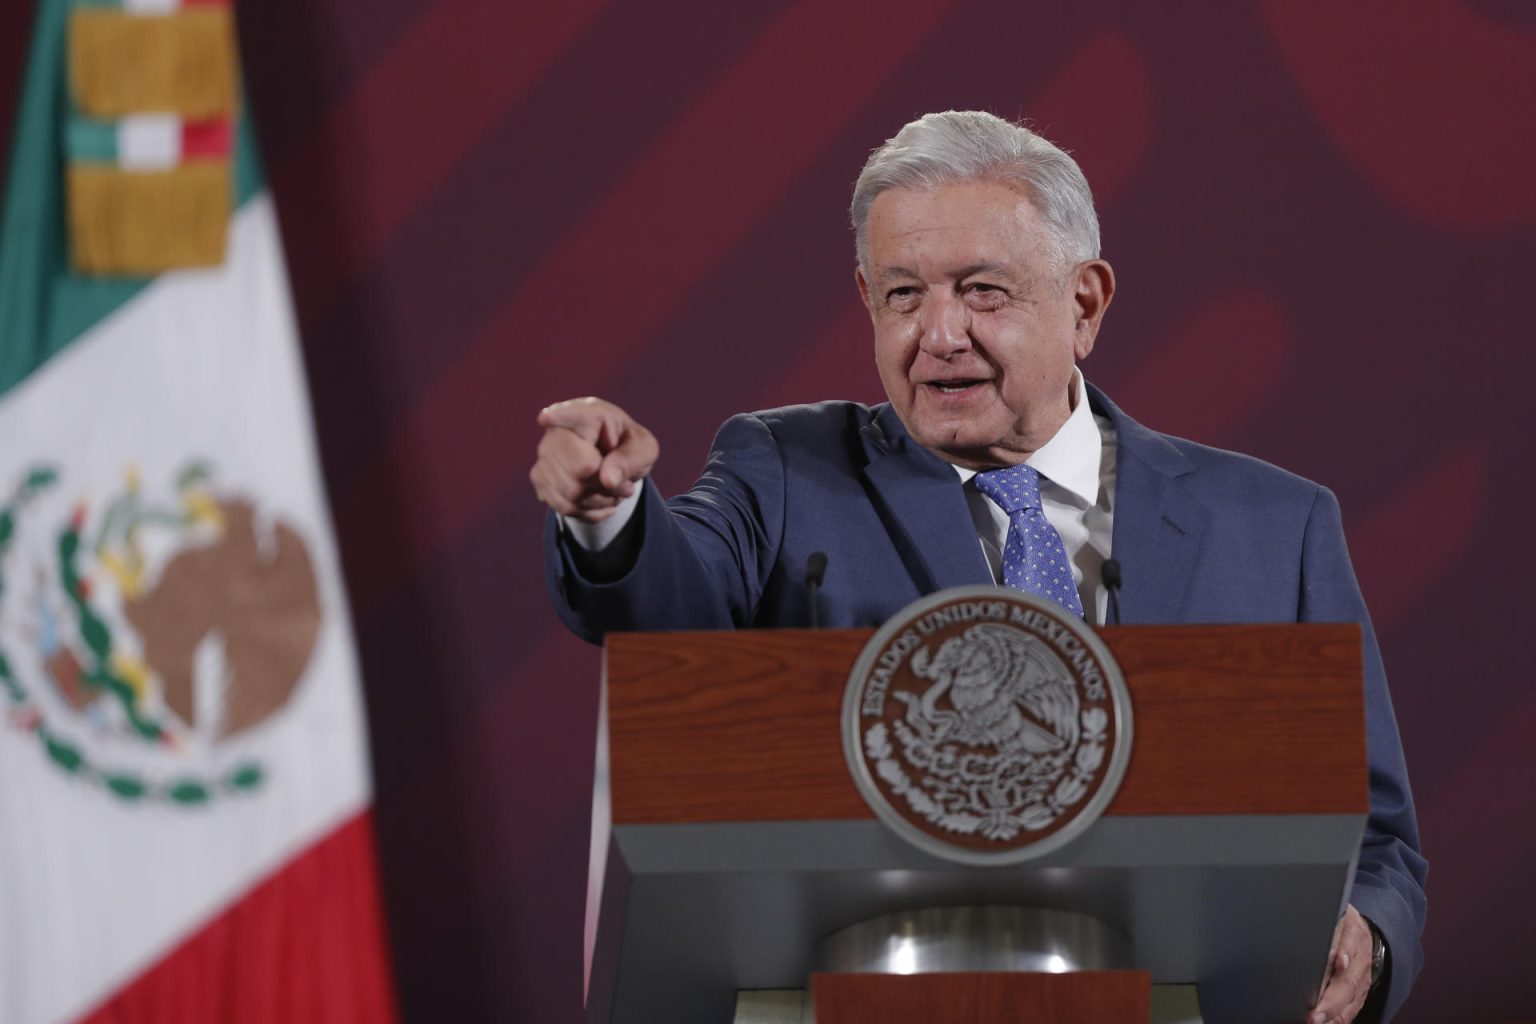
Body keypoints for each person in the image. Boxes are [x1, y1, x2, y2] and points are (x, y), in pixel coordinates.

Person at [530, 110, 1426, 1024]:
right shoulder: (786, 471)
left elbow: (1379, 839)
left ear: (1084, 305)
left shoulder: (1276, 527)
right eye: (903, 295)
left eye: (982, 291)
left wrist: (1373, 937)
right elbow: (666, 606)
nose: (939, 334)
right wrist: (610, 515)